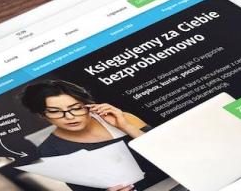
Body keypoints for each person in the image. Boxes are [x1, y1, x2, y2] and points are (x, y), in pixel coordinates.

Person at [19, 80, 167, 191]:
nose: (70, 117)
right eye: (55, 111)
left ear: (88, 105)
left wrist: (126, 127)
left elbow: (171, 152)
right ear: (41, 115)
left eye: (76, 108)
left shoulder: (123, 118)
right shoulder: (50, 149)